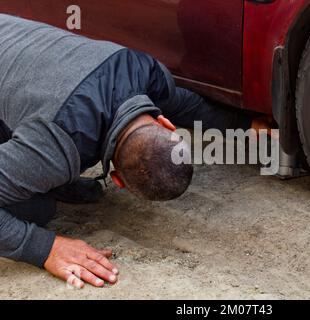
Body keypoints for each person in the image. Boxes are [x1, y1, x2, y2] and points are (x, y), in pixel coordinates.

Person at [0, 14, 265, 288]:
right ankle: (44, 185)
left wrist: (247, 124)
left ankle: (43, 179)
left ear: (166, 124)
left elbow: (186, 105)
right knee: (36, 210)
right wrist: (45, 248)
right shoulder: (56, 143)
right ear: (117, 179)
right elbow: (185, 105)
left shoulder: (142, 69)